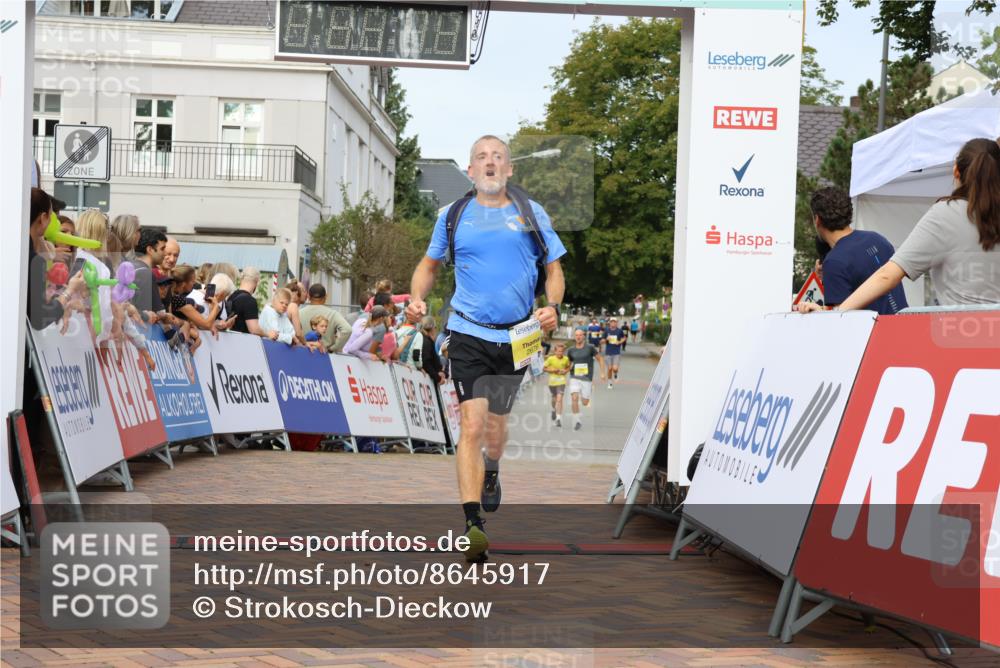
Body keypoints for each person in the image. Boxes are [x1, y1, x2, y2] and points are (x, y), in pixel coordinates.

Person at [405, 134, 565, 562]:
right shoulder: (453, 216)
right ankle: (472, 523)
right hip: (467, 332)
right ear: (471, 170)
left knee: (495, 429)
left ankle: (491, 467)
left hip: (516, 337)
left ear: (509, 169)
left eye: (497, 157)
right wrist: (417, 298)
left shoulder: (531, 213)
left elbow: (553, 269)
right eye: (481, 157)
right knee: (471, 426)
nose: (490, 162)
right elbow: (428, 266)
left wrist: (552, 307)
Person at [798, 138, 1000, 312]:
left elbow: (888, 277)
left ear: (955, 170)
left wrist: (836, 313)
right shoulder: (875, 240)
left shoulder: (945, 215)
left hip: (962, 335)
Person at [804, 187, 907, 314]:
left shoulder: (834, 262)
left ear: (817, 219)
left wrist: (818, 311)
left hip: (874, 327)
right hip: (905, 322)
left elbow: (840, 318)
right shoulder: (878, 239)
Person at [567, 327, 605, 431]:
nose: (578, 337)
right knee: (574, 398)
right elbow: (568, 364)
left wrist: (602, 373)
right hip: (574, 377)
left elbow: (600, 359)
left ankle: (587, 392)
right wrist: (563, 370)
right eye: (576, 335)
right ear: (574, 337)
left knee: (584, 402)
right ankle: (577, 421)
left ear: (584, 336)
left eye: (580, 335)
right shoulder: (571, 350)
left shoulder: (590, 348)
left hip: (586, 378)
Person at [299, 283, 352, 352]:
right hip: (325, 353)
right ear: (326, 296)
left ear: (308, 296)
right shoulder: (333, 314)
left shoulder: (299, 313)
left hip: (303, 351)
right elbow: (347, 330)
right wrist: (333, 348)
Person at [133, 227, 167, 314]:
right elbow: (158, 312)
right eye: (162, 249)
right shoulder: (146, 274)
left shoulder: (130, 266)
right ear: (150, 250)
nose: (165, 253)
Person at [227, 266, 266, 336]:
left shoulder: (231, 296)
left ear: (241, 279)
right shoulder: (250, 301)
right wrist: (268, 334)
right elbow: (254, 330)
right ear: (257, 282)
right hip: (242, 341)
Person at [543, 342, 570, 427]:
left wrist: (565, 371)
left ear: (563, 352)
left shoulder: (566, 359)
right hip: (552, 382)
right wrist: (552, 370)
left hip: (561, 381)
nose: (560, 353)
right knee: (554, 399)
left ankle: (558, 419)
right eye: (558, 351)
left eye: (561, 351)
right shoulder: (551, 359)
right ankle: (554, 409)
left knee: (559, 399)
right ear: (555, 351)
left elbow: (568, 367)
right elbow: (544, 368)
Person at [603, 317, 626, 389]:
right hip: (608, 352)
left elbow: (624, 338)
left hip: (616, 352)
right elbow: (601, 341)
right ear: (609, 323)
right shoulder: (606, 330)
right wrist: (606, 339)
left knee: (615, 368)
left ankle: (615, 373)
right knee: (609, 368)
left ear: (616, 323)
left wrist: (619, 342)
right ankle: (610, 382)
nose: (613, 323)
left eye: (614, 322)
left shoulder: (619, 331)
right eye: (612, 322)